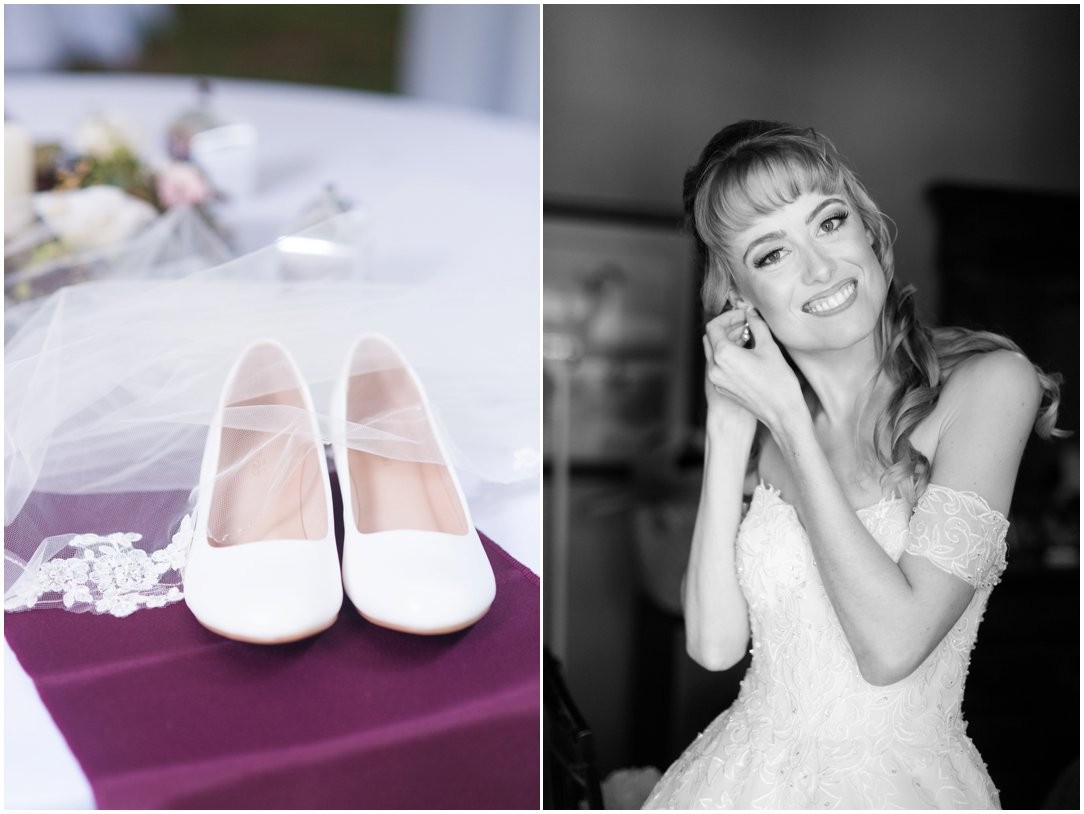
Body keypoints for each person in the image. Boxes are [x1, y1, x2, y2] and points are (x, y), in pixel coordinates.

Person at [643, 121, 1064, 810]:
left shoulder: (988, 386)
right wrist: (728, 423)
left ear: (869, 230)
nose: (820, 267)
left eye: (829, 222)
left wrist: (786, 421)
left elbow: (892, 648)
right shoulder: (766, 422)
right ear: (740, 296)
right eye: (772, 253)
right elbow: (716, 646)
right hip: (741, 779)